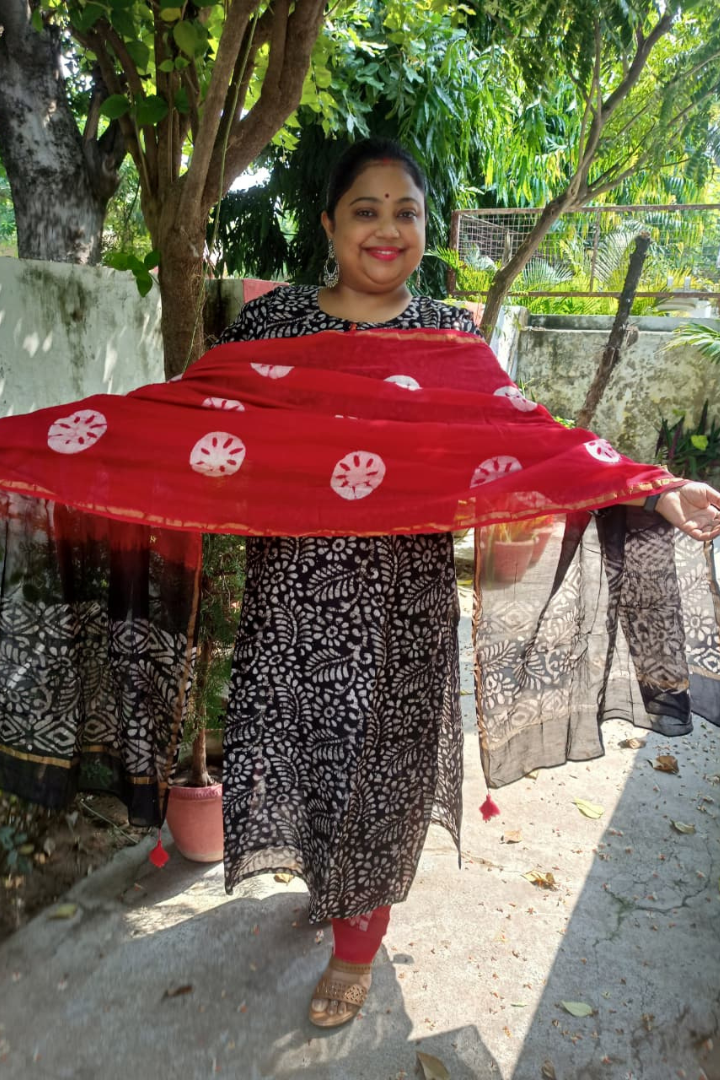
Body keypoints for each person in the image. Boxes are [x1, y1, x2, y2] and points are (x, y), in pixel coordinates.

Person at [215, 138, 720, 1028]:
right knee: (302, 753)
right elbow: (189, 423)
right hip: (291, 595)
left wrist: (650, 487)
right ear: (329, 224)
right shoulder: (271, 325)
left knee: (381, 772)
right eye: (365, 210)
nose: (386, 229)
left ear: (424, 229)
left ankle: (357, 946)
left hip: (399, 607)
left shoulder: (448, 335)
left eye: (405, 212)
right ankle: (331, 882)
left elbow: (531, 439)